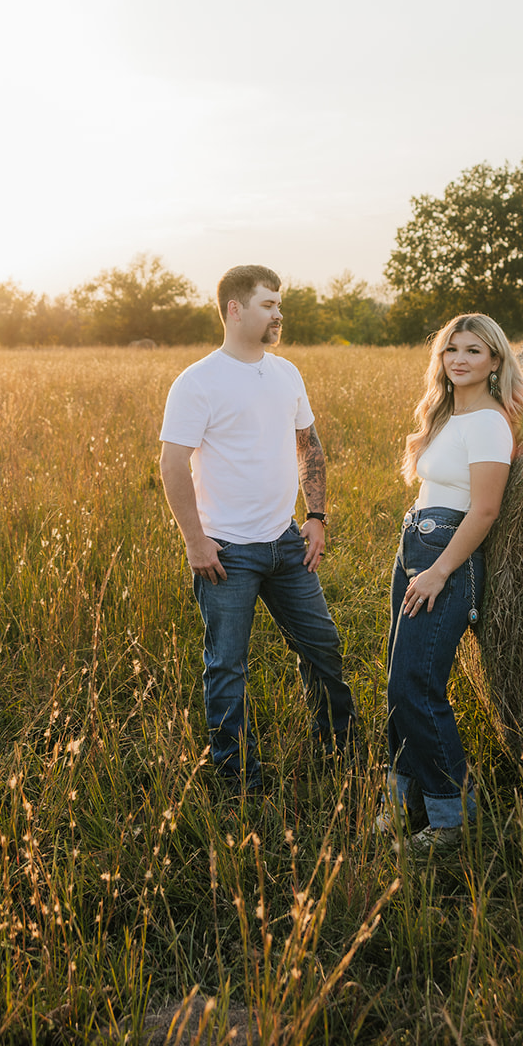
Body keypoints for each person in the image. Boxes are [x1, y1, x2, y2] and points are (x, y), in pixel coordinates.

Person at [159, 264, 357, 791]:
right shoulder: (197, 381)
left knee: (323, 646)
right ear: (234, 309)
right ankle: (236, 780)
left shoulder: (286, 372)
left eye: (279, 304)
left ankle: (340, 751)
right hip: (226, 552)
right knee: (227, 667)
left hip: (286, 543)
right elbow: (173, 465)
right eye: (269, 304)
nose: (278, 314)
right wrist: (196, 541)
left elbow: (308, 446)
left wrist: (315, 517)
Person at [384, 313, 523, 855]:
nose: (460, 359)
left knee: (416, 686)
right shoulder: (445, 415)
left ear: (495, 361)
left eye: (474, 350)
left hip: (446, 558)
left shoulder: (489, 422)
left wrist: (440, 570)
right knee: (397, 682)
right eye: (451, 350)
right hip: (414, 547)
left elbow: (486, 509)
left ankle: (452, 819)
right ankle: (405, 803)